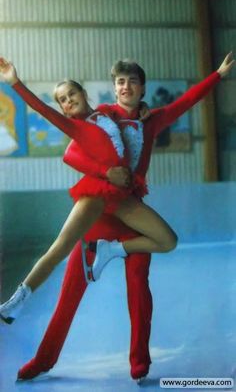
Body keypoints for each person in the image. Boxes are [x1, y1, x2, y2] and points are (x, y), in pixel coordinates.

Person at [1, 52, 235, 383]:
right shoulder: (102, 115)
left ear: (142, 89)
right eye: (120, 81)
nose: (125, 86)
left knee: (140, 289)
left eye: (132, 81)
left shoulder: (151, 119)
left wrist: (218, 75)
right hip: (100, 209)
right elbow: (70, 150)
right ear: (113, 89)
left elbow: (187, 100)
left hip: (132, 214)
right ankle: (43, 359)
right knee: (69, 292)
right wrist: (104, 172)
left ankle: (139, 361)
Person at [0, 56, 179, 323]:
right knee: (59, 248)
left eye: (72, 93)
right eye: (62, 99)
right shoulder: (75, 127)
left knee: (168, 240)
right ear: (62, 108)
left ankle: (112, 249)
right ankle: (15, 302)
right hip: (95, 194)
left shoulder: (106, 114)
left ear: (84, 94)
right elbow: (41, 110)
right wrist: (15, 82)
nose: (68, 100)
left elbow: (129, 110)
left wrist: (144, 106)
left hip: (121, 198)